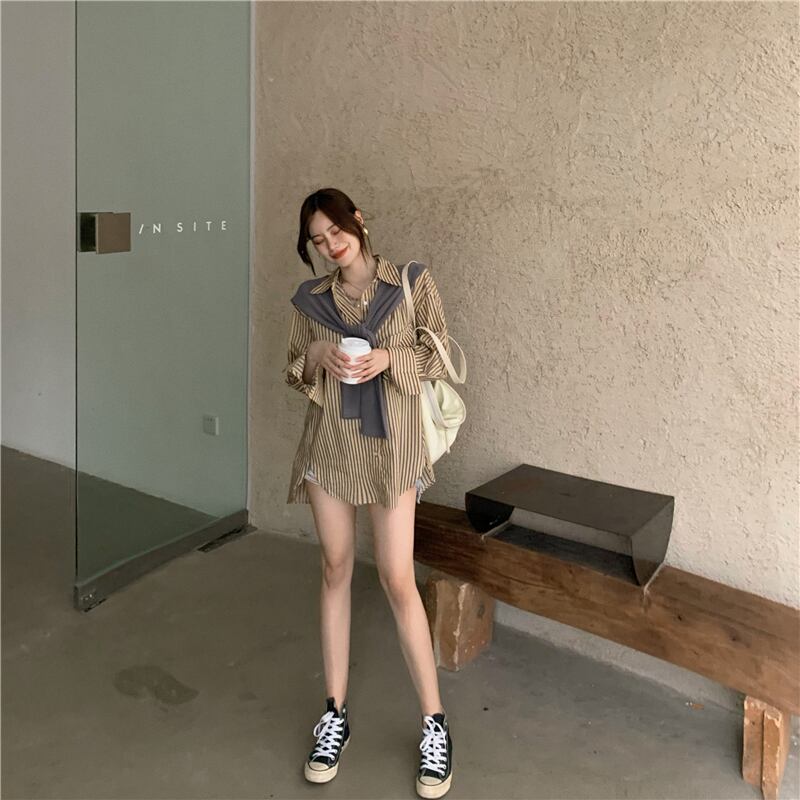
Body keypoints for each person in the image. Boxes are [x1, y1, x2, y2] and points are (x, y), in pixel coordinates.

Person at [283, 187, 455, 799]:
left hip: (392, 451)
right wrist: (318, 353)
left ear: (357, 220)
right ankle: (334, 713)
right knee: (334, 568)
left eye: (336, 229)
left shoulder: (410, 282)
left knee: (396, 577)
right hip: (330, 447)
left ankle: (435, 722)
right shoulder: (311, 300)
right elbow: (293, 369)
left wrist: (387, 359)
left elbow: (439, 354)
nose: (330, 244)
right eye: (317, 239)